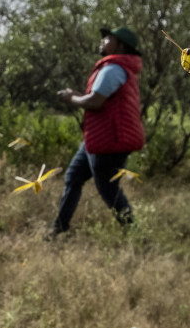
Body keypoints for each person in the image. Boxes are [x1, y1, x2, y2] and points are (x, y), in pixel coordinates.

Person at [51, 26, 145, 236]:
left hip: (109, 142)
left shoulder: (113, 69)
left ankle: (136, 237)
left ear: (120, 46)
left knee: (109, 191)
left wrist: (71, 98)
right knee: (73, 177)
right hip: (98, 139)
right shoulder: (118, 68)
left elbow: (94, 101)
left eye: (108, 38)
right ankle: (59, 230)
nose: (102, 41)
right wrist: (77, 96)